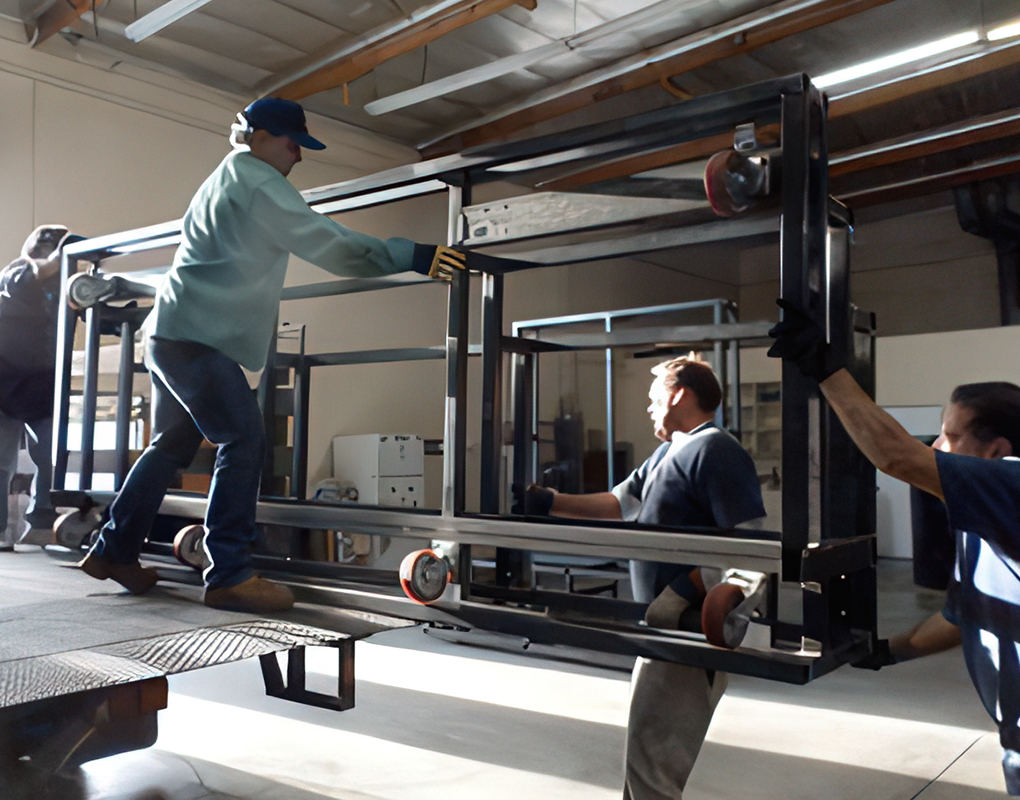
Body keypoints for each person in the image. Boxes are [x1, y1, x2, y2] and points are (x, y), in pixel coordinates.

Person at [78, 97, 465, 613]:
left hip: (173, 333)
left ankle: (113, 549)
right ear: (259, 136)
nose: (299, 158)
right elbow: (327, 242)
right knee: (243, 438)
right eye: (292, 144)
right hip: (198, 338)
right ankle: (230, 574)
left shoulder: (226, 176)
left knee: (171, 445)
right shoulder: (257, 182)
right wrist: (412, 255)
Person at [768, 298, 1020, 794]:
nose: (936, 448)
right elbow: (962, 615)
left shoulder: (1013, 484)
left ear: (996, 451)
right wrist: (885, 653)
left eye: (950, 436)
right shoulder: (981, 520)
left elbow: (897, 457)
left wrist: (828, 372)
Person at [524, 353, 766, 800]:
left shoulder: (716, 449)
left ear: (679, 394)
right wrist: (549, 500)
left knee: (655, 767)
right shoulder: (667, 452)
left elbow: (750, 546)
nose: (650, 407)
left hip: (687, 630)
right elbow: (619, 505)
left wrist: (686, 590)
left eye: (655, 397)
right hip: (659, 626)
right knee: (646, 754)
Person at [0, 226, 82, 549]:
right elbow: (35, 270)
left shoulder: (66, 283)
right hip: (4, 380)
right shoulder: (15, 274)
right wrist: (62, 254)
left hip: (44, 383)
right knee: (1, 460)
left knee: (49, 453)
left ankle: (42, 522)